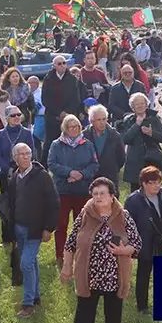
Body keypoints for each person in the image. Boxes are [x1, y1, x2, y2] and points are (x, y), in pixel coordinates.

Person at [60, 177, 139, 323]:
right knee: (83, 316)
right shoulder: (85, 214)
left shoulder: (123, 216)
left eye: (102, 193)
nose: (98, 197)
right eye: (95, 194)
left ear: (112, 196)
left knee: (113, 316)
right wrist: (66, 267)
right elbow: (70, 242)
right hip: (89, 274)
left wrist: (122, 251)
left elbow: (137, 243)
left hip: (114, 275)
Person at [6, 143, 58, 318]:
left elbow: (53, 203)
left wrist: (49, 228)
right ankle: (35, 296)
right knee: (32, 262)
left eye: (28, 153)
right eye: (21, 154)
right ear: (15, 158)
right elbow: (12, 205)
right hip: (19, 227)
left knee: (26, 263)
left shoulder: (42, 176)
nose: (26, 157)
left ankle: (27, 304)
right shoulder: (14, 177)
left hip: (35, 229)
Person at [123, 167, 162, 314]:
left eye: (158, 182)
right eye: (152, 182)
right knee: (144, 273)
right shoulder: (133, 200)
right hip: (145, 241)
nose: (156, 186)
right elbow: (127, 223)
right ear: (143, 183)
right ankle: (142, 307)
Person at [47, 113, 100, 267]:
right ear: (65, 128)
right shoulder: (56, 145)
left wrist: (81, 175)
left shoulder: (88, 144)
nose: (74, 129)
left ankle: (80, 254)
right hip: (63, 191)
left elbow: (94, 165)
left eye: (76, 126)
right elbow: (52, 164)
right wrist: (69, 172)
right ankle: (60, 255)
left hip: (82, 191)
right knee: (61, 224)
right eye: (70, 127)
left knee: (82, 225)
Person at [119, 93, 162, 192]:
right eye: (137, 104)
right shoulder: (128, 120)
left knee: (153, 188)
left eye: (142, 103)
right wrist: (137, 125)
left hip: (153, 160)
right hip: (135, 160)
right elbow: (125, 139)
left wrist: (152, 133)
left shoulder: (154, 118)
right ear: (132, 107)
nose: (140, 106)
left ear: (147, 105)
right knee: (136, 190)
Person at [41, 55, 86, 160]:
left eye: (64, 63)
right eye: (59, 64)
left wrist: (66, 113)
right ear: (54, 66)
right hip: (52, 117)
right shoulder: (48, 79)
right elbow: (45, 99)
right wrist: (58, 113)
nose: (62, 65)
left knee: (70, 142)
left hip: (68, 116)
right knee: (49, 143)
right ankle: (43, 167)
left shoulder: (72, 79)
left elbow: (76, 100)